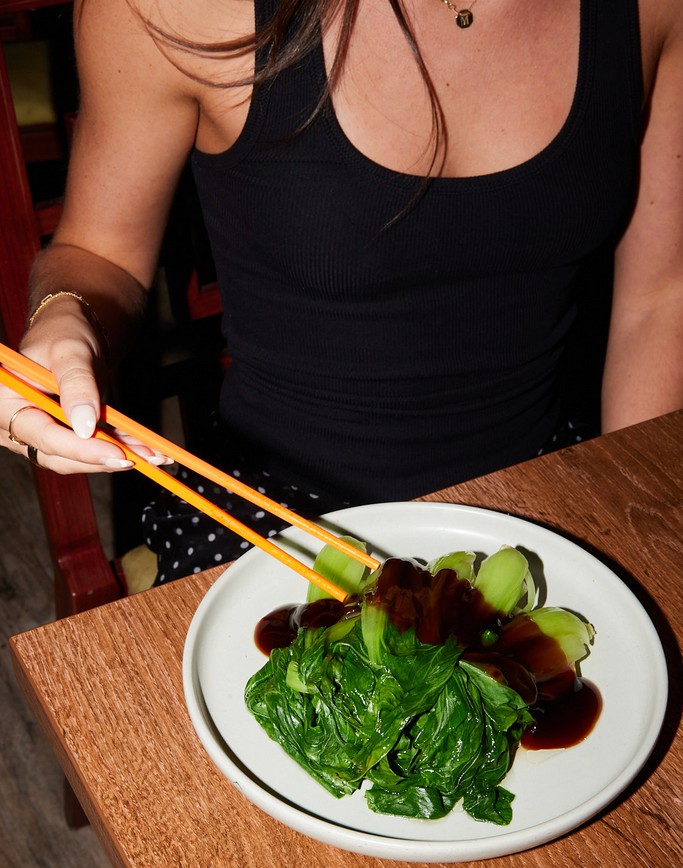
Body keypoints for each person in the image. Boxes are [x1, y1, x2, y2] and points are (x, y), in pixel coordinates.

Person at [2, 0, 682, 582]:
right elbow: (98, 250)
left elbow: (659, 300)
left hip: (545, 481)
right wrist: (65, 316)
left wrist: (629, 518)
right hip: (274, 515)